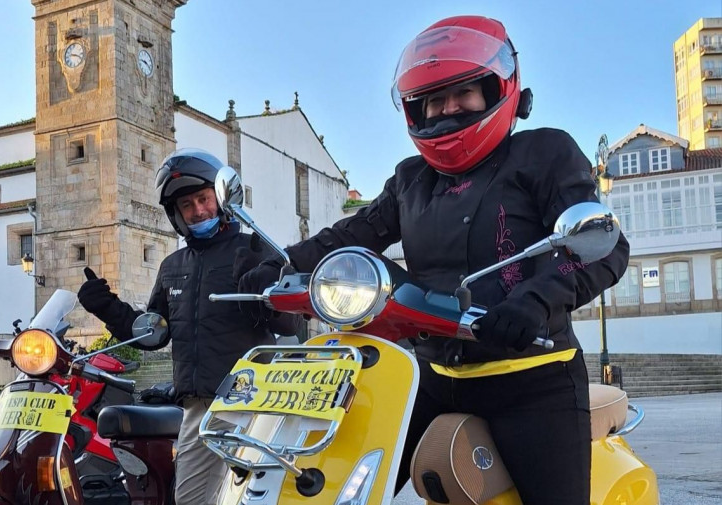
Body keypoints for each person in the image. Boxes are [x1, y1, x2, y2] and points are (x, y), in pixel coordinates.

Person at [237, 15, 629, 505]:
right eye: (433, 100)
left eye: (462, 92)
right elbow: (352, 235)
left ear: (497, 88)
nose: (447, 108)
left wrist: (532, 302)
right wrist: (277, 265)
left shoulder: (543, 153)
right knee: (331, 484)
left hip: (531, 377)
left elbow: (601, 244)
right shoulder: (410, 179)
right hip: (428, 375)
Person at [77, 147, 300, 505]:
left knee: (256, 498)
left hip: (252, 399)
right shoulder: (172, 266)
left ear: (221, 198)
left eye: (203, 198)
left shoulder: (256, 249)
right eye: (187, 206)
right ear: (176, 215)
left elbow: (290, 324)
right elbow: (153, 332)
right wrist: (106, 307)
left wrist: (261, 289)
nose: (198, 210)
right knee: (192, 499)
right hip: (197, 408)